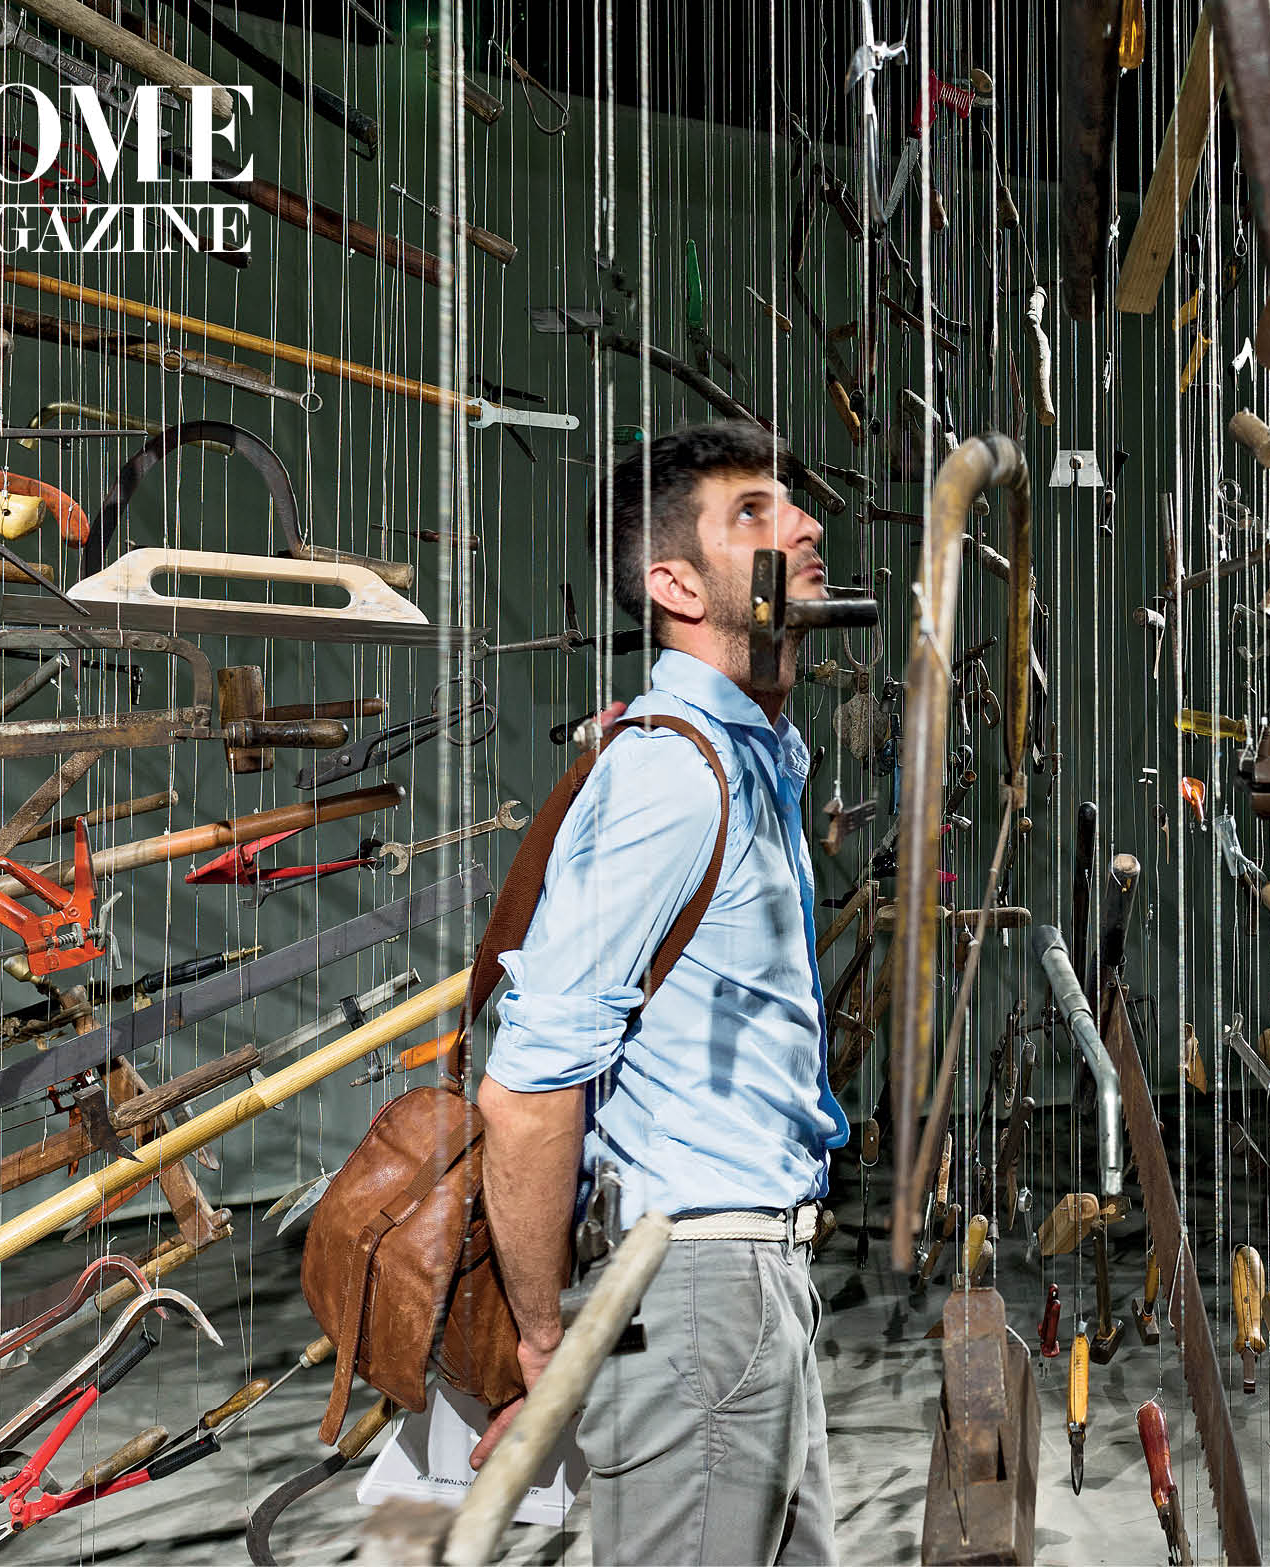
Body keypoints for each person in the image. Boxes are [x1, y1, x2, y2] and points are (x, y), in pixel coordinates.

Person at [471, 419, 849, 1565]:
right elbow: (528, 1090)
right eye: (752, 513)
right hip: (692, 1289)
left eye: (790, 502)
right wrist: (548, 1343)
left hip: (756, 1279)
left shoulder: (750, 754)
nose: (803, 524)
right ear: (673, 583)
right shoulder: (671, 772)